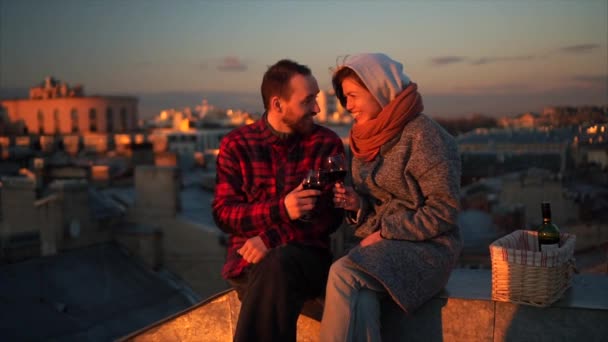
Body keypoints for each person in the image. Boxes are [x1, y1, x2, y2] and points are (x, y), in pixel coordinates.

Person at [319, 53, 462, 341]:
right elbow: (379, 207)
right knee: (361, 294)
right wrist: (358, 205)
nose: (348, 106)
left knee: (344, 272)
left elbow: (444, 211)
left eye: (353, 96)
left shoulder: (425, 136)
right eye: (344, 98)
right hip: (387, 245)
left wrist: (386, 231)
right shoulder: (365, 137)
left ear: (380, 89)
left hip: (429, 248)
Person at [212, 59, 345, 342]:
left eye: (316, 99)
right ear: (277, 105)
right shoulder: (237, 145)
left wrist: (271, 237)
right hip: (247, 264)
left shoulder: (327, 143)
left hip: (306, 261)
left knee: (279, 261)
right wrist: (282, 208)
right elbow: (224, 214)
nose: (317, 109)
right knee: (272, 272)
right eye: (307, 101)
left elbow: (329, 217)